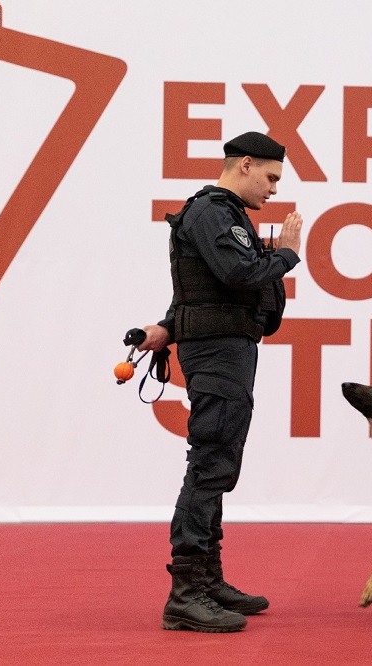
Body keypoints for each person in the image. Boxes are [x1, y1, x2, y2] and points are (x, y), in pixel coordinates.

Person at [137, 131, 303, 633]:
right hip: (217, 354)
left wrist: (164, 329)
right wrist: (287, 254)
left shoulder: (223, 214)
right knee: (210, 465)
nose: (274, 188)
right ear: (245, 164)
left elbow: (196, 291)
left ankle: (208, 580)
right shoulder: (213, 211)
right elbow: (239, 274)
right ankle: (186, 594)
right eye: (270, 177)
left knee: (219, 463)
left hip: (225, 350)